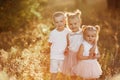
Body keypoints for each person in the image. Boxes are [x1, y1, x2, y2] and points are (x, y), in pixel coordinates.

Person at [62, 10, 83, 80]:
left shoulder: (82, 32)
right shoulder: (68, 34)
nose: (73, 26)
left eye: (75, 23)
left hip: (80, 54)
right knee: (72, 72)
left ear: (79, 23)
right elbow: (68, 44)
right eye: (70, 24)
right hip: (71, 55)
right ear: (67, 25)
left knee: (82, 71)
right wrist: (66, 49)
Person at [48, 11, 69, 80]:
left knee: (64, 73)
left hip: (64, 57)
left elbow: (70, 42)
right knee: (54, 72)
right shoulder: (53, 33)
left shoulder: (68, 32)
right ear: (54, 23)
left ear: (65, 21)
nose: (59, 24)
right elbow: (49, 43)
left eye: (61, 21)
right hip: (54, 57)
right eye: (56, 22)